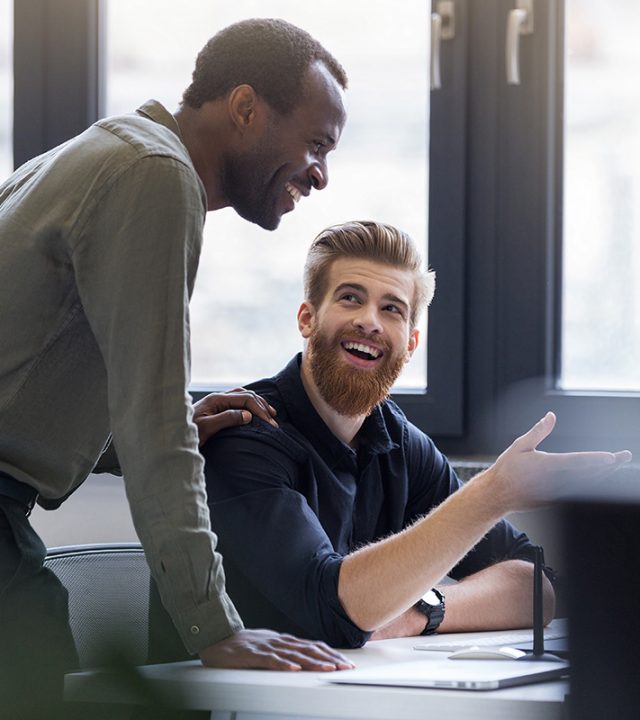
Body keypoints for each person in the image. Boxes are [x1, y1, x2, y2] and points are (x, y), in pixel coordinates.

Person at [0, 18, 350, 718]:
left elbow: (28, 377)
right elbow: (155, 423)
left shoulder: (105, 151)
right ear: (245, 109)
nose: (321, 175)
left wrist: (137, 438)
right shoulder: (156, 177)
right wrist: (214, 628)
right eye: (315, 144)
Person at [199, 220, 632, 647]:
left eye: (392, 309)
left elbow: (537, 586)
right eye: (351, 298)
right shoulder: (246, 432)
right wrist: (491, 492)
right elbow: (336, 611)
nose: (369, 321)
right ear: (307, 318)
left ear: (410, 343)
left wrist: (424, 610)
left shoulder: (399, 441)